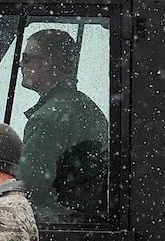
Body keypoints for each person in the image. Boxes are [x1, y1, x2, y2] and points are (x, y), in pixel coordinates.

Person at [16, 27, 108, 222]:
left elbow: (26, 192)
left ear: (47, 63)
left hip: (59, 228)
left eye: (26, 58)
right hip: (84, 223)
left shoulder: (47, 120)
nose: (20, 64)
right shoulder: (84, 107)